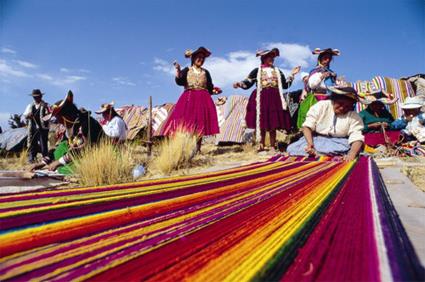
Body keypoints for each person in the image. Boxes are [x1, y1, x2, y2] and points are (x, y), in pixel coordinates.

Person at [233, 48, 300, 151]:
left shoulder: (277, 71)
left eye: (273, 57)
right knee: (262, 122)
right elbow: (248, 82)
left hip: (274, 98)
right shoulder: (257, 71)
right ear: (263, 58)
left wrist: (292, 74)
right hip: (261, 97)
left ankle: (273, 146)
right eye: (269, 57)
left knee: (273, 122)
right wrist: (240, 84)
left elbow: (285, 85)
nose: (272, 59)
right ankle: (261, 145)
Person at [161, 46, 221, 152]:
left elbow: (210, 87)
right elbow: (180, 81)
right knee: (187, 123)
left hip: (203, 99)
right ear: (193, 58)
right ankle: (186, 147)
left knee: (200, 124)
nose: (201, 60)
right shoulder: (187, 70)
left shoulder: (206, 72)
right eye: (199, 57)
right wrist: (178, 70)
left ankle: (198, 149)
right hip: (189, 98)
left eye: (203, 58)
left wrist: (216, 92)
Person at [30, 90, 104, 174]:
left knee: (72, 167)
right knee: (61, 147)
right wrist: (42, 163)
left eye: (58, 117)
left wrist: (59, 162)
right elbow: (59, 148)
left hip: (96, 156)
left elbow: (88, 147)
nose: (58, 120)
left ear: (65, 115)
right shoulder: (70, 127)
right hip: (78, 156)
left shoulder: (86, 122)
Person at [287, 86, 364, 161]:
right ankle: (319, 153)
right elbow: (307, 126)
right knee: (292, 149)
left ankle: (321, 154)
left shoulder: (354, 116)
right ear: (334, 100)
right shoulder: (321, 106)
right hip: (315, 140)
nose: (342, 108)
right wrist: (310, 144)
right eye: (340, 104)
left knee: (350, 149)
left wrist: (352, 154)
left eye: (347, 106)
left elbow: (356, 135)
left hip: (339, 142)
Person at [297, 48, 340, 128]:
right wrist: (322, 76)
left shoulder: (331, 73)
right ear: (320, 58)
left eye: (329, 58)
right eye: (325, 58)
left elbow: (333, 86)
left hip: (329, 98)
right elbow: (312, 85)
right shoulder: (315, 71)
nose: (327, 60)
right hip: (317, 98)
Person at [23, 89, 50, 163]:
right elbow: (25, 115)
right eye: (34, 97)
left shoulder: (46, 105)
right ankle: (32, 159)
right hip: (33, 127)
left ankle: (45, 160)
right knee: (32, 143)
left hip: (43, 128)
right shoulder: (30, 106)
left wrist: (46, 117)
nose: (36, 98)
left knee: (43, 144)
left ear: (41, 96)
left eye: (37, 96)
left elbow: (50, 115)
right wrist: (28, 115)